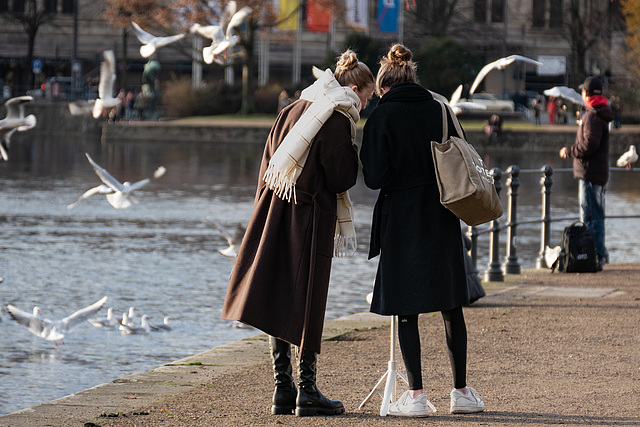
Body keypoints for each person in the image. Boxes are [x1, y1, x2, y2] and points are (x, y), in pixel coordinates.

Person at [221, 50, 374, 417]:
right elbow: (342, 177)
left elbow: (268, 163)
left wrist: (263, 211)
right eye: (365, 99)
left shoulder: (294, 108)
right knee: (306, 299)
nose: (364, 107)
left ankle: (282, 388)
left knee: (277, 293)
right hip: (308, 218)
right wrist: (353, 146)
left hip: (273, 210)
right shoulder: (336, 118)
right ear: (353, 89)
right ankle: (307, 389)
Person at [360, 44, 485, 417]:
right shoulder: (439, 109)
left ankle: (415, 396)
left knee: (405, 308)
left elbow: (375, 178)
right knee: (450, 304)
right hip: (441, 212)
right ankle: (461, 392)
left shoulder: (382, 117)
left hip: (400, 216)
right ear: (413, 78)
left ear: (383, 87)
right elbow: (463, 152)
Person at [559, 76, 613, 270]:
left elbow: (589, 145)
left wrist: (570, 150)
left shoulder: (592, 116)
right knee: (596, 216)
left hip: (590, 174)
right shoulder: (598, 114)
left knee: (590, 217)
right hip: (597, 172)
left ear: (586, 94)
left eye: (583, 91)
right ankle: (598, 255)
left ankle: (594, 257)